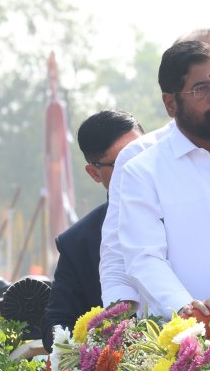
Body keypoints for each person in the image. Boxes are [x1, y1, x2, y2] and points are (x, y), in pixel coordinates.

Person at [98, 28, 210, 315]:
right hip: (188, 341)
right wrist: (187, 308)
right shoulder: (142, 169)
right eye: (202, 89)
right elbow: (141, 257)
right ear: (171, 104)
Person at [41, 110, 143, 351]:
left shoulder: (190, 209)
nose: (138, 168)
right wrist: (94, 346)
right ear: (94, 173)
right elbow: (55, 323)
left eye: (142, 154)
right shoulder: (78, 242)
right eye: (122, 163)